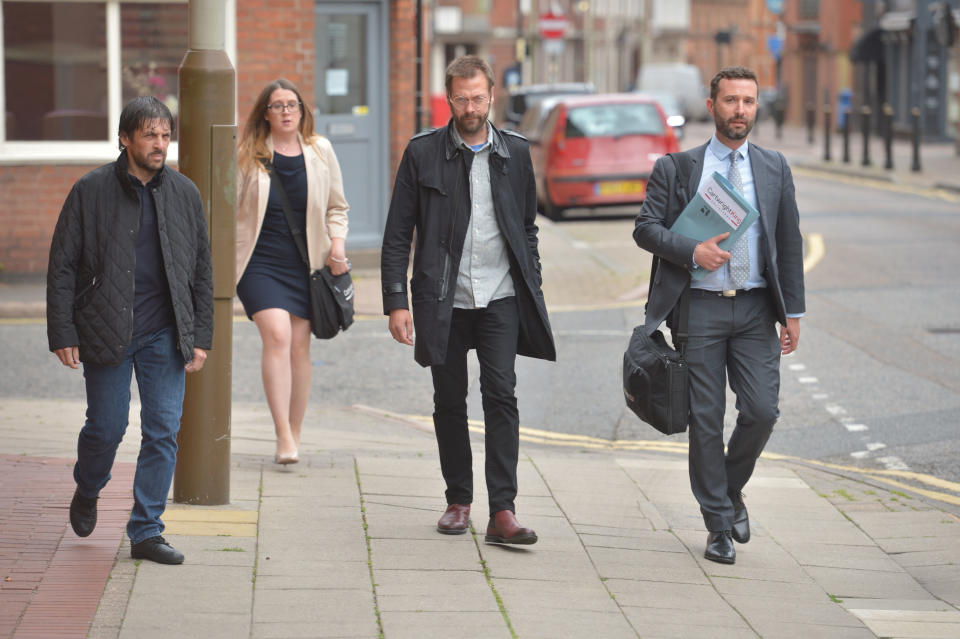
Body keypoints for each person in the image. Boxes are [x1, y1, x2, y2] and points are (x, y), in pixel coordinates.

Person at [381, 55, 556, 545]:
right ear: (449, 98)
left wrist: (532, 283)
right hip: (444, 300)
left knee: (502, 396)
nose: (471, 106)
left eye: (479, 97)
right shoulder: (422, 154)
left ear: (492, 96)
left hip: (500, 296)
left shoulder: (516, 153)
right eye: (462, 98)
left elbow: (526, 229)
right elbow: (398, 235)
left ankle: (503, 511)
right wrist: (397, 301)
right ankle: (458, 500)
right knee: (448, 401)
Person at [633, 66, 804, 565]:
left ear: (756, 107)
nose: (740, 111)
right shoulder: (679, 168)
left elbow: (788, 243)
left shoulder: (773, 168)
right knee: (705, 421)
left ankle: (730, 490)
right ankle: (717, 525)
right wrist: (692, 252)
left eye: (748, 102)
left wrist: (793, 311)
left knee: (761, 411)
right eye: (730, 101)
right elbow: (645, 229)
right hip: (700, 309)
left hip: (755, 310)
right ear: (712, 106)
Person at [46, 96, 213, 565]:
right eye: (150, 135)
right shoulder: (90, 190)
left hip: (165, 331)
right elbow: (63, 265)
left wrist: (201, 336)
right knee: (107, 426)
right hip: (106, 328)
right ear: (125, 138)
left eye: (165, 135)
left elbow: (201, 269)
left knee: (162, 431)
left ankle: (146, 532)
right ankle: (88, 486)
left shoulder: (184, 192)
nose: (160, 144)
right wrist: (62, 330)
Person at [236, 78, 350, 465]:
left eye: (292, 105)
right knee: (278, 336)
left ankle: (295, 432)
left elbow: (337, 206)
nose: (286, 111)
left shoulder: (321, 151)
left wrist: (337, 245)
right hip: (258, 263)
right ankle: (282, 432)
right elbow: (230, 211)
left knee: (301, 348)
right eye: (278, 105)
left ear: (302, 111)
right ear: (265, 114)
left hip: (306, 265)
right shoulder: (248, 154)